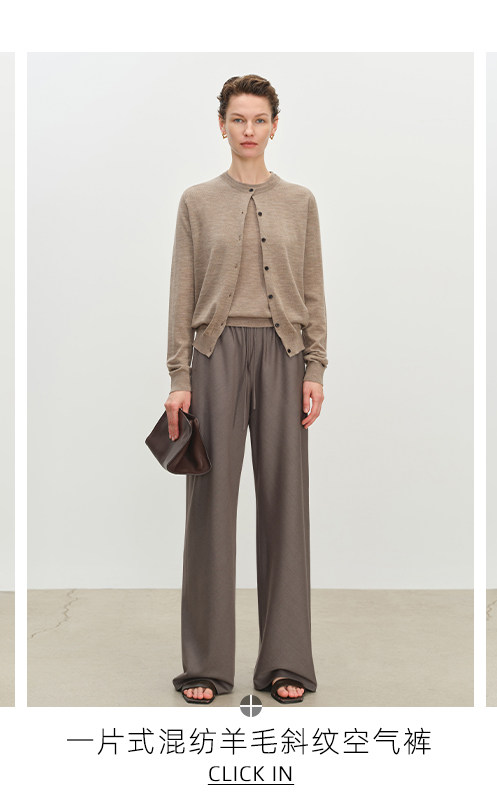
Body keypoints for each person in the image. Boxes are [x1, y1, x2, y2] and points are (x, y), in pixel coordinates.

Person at [165, 74, 327, 705]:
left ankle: (285, 660)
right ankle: (205, 665)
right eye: (238, 119)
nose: (249, 130)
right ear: (222, 126)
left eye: (260, 119)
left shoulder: (301, 202)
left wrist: (315, 368)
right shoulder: (197, 201)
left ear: (274, 126)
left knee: (286, 506)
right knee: (210, 507)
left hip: (284, 355)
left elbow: (312, 291)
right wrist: (179, 378)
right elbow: (181, 293)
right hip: (215, 356)